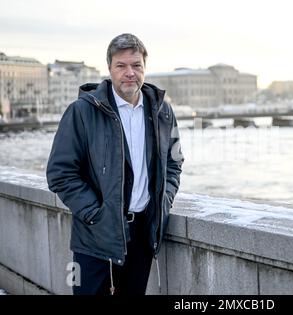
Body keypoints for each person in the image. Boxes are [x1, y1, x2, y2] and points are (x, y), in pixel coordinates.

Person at [46, 33, 184, 295]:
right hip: (95, 238)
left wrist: (163, 202)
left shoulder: (162, 111)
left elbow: (174, 162)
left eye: (136, 65)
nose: (130, 73)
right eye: (121, 66)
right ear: (109, 69)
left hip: (143, 236)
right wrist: (96, 214)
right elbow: (60, 173)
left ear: (145, 67)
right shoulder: (82, 111)